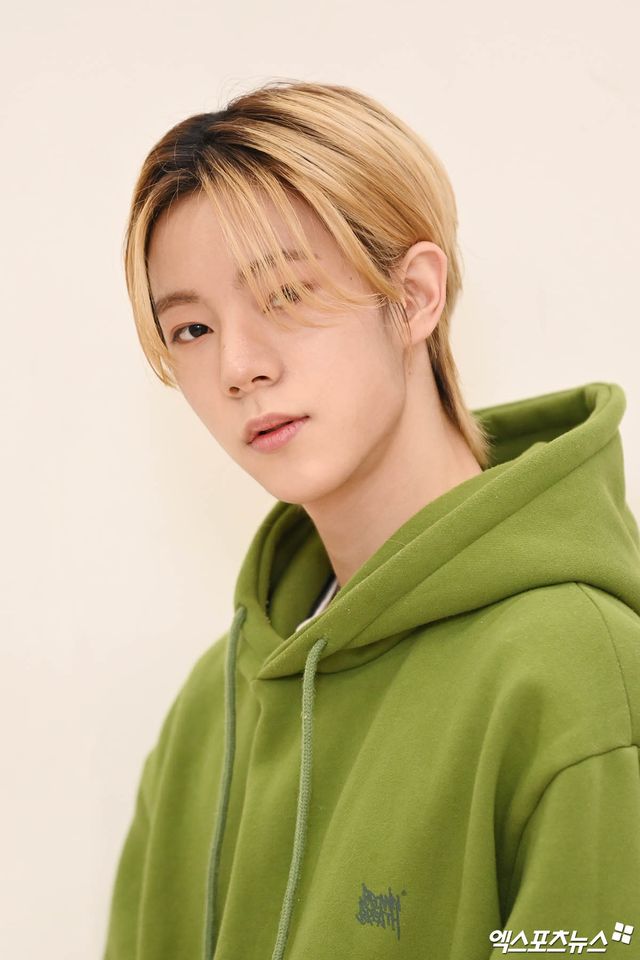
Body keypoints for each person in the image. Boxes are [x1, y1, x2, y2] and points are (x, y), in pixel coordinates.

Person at [102, 80, 640, 960]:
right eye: (192, 330)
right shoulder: (213, 710)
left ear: (415, 295)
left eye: (284, 293)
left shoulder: (575, 678)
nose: (238, 366)